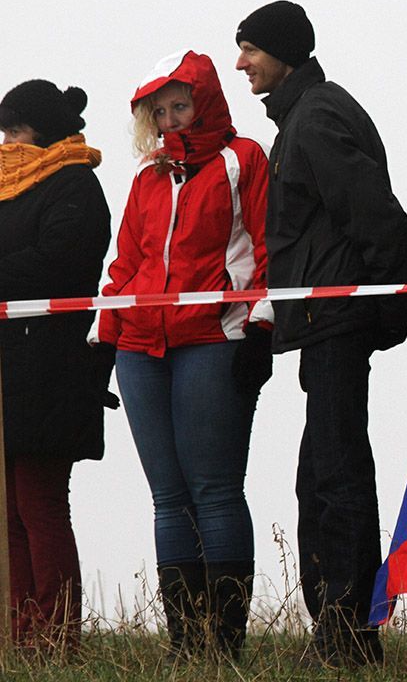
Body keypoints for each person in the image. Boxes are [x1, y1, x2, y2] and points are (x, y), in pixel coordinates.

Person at [234, 0, 407, 667]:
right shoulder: (305, 115)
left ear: (283, 52)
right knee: (320, 475)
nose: (241, 62)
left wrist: (392, 302)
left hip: (336, 321)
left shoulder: (315, 118)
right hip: (324, 323)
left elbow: (373, 211)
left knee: (337, 475)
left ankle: (350, 632)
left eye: (250, 48)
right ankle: (337, 627)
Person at [96, 50, 272, 659]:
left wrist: (261, 324)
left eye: (181, 104)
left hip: (212, 339)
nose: (172, 118)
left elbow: (265, 244)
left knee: (215, 490)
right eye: (160, 110)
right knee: (168, 497)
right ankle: (186, 645)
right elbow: (125, 263)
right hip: (141, 346)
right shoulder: (148, 174)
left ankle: (224, 646)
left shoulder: (242, 158)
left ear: (206, 100)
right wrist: (105, 335)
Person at [0, 81, 111, 651]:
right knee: (11, 510)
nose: (7, 142)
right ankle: (21, 632)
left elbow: (61, 264)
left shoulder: (76, 184)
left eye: (14, 131)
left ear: (41, 131)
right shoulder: (9, 188)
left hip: (51, 367)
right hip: (11, 368)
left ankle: (56, 632)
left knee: (40, 503)